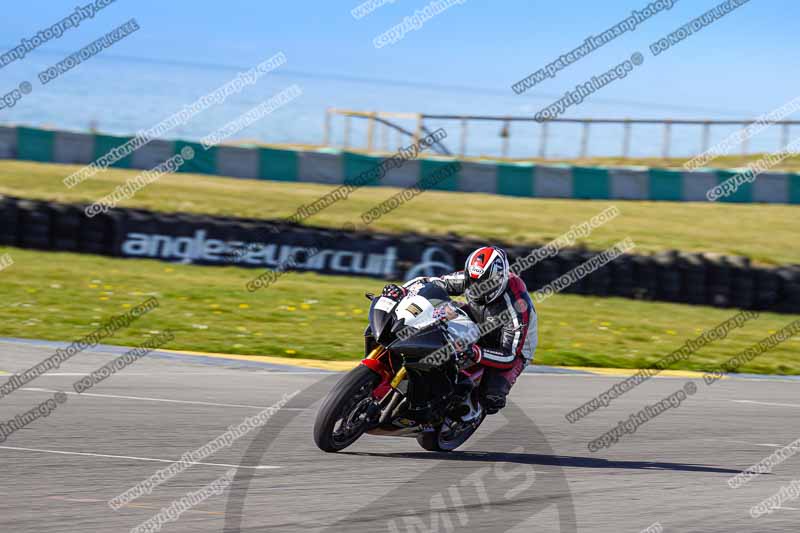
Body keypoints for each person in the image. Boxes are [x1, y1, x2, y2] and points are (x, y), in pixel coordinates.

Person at [373, 246, 537, 414]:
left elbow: (509, 355)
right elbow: (431, 284)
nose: (475, 287)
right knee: (436, 321)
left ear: (498, 281)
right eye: (473, 281)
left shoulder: (516, 307)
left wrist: (476, 352)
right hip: (475, 317)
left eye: (482, 284)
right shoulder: (468, 278)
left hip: (513, 347)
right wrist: (402, 290)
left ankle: (458, 412)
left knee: (491, 398)